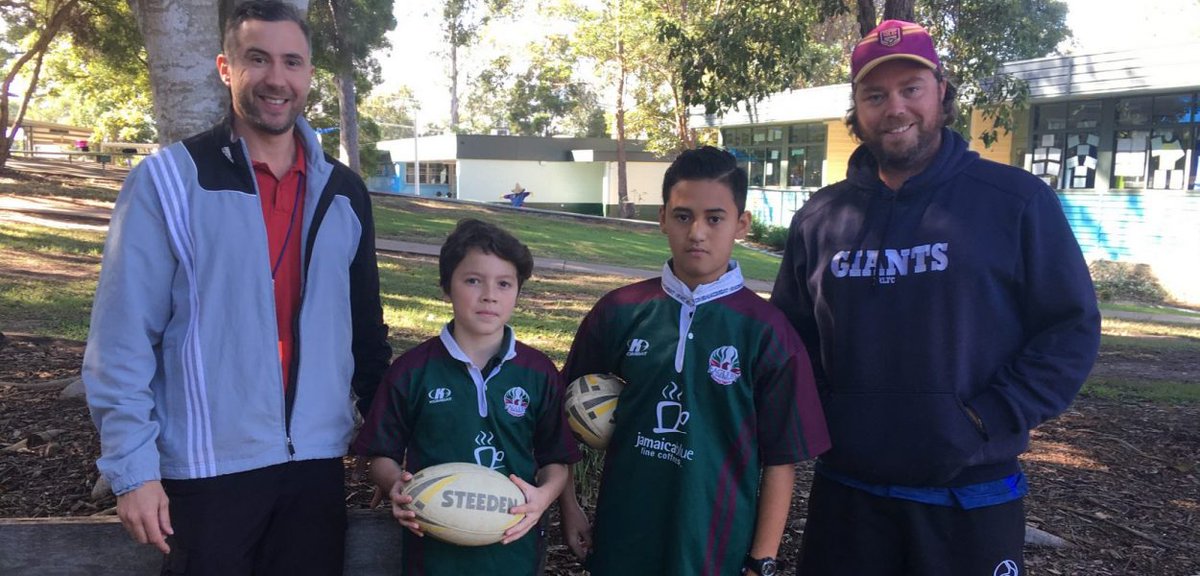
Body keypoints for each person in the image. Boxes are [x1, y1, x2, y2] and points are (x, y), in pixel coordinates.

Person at [769, 19, 1102, 576]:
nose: (894, 108)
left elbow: (1070, 328)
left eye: (911, 89)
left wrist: (986, 418)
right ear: (856, 107)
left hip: (970, 496)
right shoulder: (820, 218)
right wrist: (829, 413)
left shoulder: (1014, 201)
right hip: (849, 496)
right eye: (875, 95)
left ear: (941, 92)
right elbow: (790, 337)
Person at [81, 2, 393, 574]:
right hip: (205, 470)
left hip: (314, 469)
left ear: (308, 76)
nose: (277, 78)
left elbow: (367, 337)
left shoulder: (344, 192)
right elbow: (121, 340)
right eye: (258, 59)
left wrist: (387, 452)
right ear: (226, 68)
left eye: (292, 62)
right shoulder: (170, 180)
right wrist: (133, 469)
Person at [557, 146, 831, 576]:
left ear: (741, 224)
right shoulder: (620, 310)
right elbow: (561, 417)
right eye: (683, 216)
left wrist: (762, 559)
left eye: (715, 218)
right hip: (623, 539)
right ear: (662, 217)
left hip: (715, 547)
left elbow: (782, 458)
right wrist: (570, 508)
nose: (697, 232)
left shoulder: (767, 331)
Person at [353, 218, 581, 576]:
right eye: (473, 280)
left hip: (512, 551)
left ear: (518, 292)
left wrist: (544, 496)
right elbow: (382, 454)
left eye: (504, 284)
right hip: (432, 555)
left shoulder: (538, 372)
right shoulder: (412, 371)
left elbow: (556, 459)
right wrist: (395, 484)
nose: (489, 294)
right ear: (447, 286)